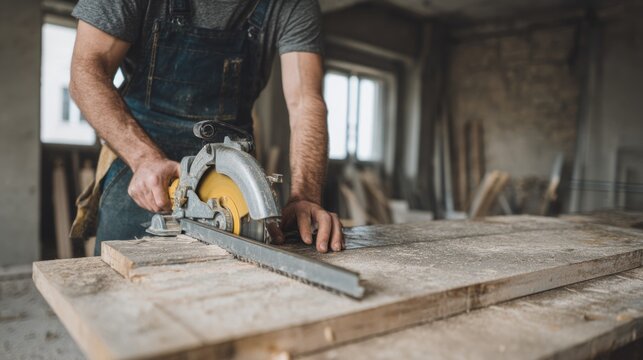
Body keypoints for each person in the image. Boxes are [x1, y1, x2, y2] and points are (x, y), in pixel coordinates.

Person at [68, 0, 344, 255]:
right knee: (122, 293)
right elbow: (86, 71)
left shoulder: (291, 4)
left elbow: (305, 102)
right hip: (142, 166)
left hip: (229, 180)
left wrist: (306, 196)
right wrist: (143, 158)